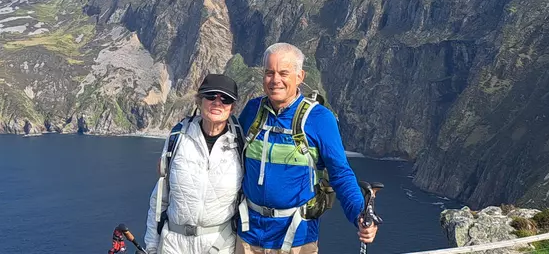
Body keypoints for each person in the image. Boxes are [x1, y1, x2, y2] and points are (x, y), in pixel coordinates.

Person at [235, 42, 378, 254]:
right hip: (249, 236)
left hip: (297, 239)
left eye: (284, 73)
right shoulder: (252, 111)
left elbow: (340, 174)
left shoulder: (320, 119)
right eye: (269, 72)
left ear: (300, 76)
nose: (275, 80)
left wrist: (360, 215)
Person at [144, 73, 244, 254]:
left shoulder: (240, 144)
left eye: (226, 99)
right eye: (211, 96)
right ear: (199, 100)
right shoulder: (178, 138)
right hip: (173, 244)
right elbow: (160, 198)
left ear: (232, 107)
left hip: (220, 244)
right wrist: (151, 245)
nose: (217, 102)